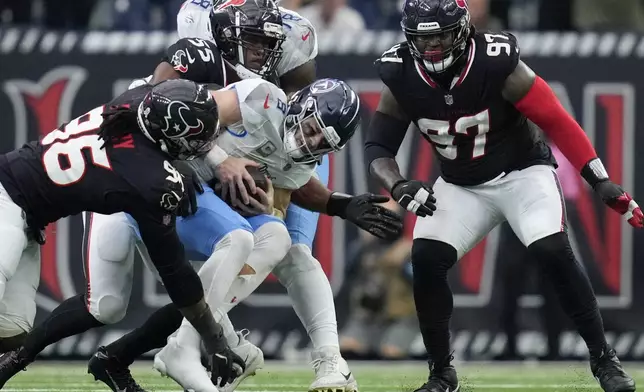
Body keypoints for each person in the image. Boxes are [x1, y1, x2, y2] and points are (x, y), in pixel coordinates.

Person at [99, 1, 379, 391]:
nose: (260, 52)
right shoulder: (196, 24)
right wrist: (211, 158)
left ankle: (328, 361)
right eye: (252, 42)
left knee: (289, 250)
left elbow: (303, 113)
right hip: (209, 146)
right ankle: (226, 346)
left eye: (267, 45)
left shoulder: (292, 44)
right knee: (202, 257)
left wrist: (335, 201)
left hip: (278, 148)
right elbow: (163, 99)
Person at [363, 1, 642, 392]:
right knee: (425, 257)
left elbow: (556, 119)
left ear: (461, 30)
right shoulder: (401, 72)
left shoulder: (496, 61)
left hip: (521, 174)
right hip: (461, 185)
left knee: (550, 250)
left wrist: (599, 179)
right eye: (424, 39)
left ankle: (604, 361)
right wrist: (398, 185)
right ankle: (441, 373)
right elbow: (378, 147)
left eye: (441, 35)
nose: (434, 48)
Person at [0, 79, 246, 387]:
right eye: (196, 138)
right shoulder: (150, 180)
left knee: (10, 330)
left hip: (27, 212)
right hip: (6, 197)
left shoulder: (139, 100)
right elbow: (174, 271)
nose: (203, 146)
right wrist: (214, 337)